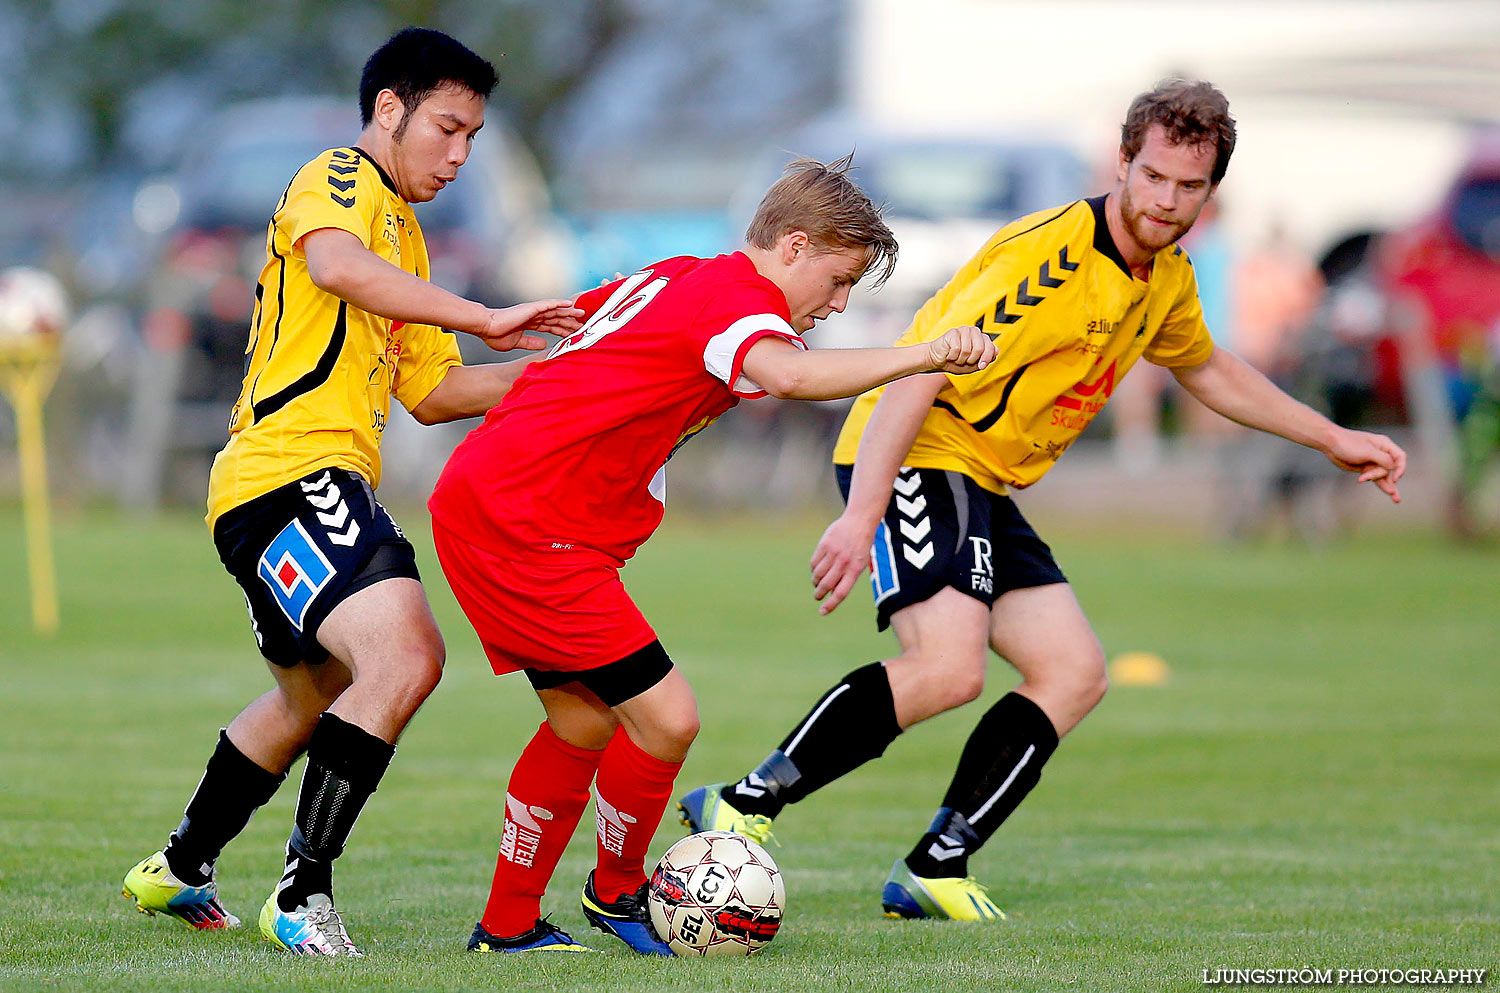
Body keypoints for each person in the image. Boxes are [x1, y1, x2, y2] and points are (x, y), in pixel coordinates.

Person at [679, 79, 1407, 922]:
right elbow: (922, 367)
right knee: (950, 667)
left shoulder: (1164, 274)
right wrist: (860, 511)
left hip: (983, 476)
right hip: (918, 449)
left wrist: (1332, 437)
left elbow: (1205, 367)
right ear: (1123, 162)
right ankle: (746, 799)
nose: (1167, 202)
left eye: (1189, 187)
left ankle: (936, 863)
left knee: (1074, 670)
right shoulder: (1053, 260)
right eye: (1154, 178)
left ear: (1213, 191)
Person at [427, 155, 998, 955]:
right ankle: (618, 895)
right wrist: (924, 353)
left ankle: (508, 926)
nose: (835, 305)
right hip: (526, 521)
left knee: (584, 720)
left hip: (506, 507)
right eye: (837, 281)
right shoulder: (737, 300)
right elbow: (789, 376)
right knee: (668, 717)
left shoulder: (681, 277)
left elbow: (573, 359)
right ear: (793, 247)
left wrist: (454, 388)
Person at [121, 27, 584, 956]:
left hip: (278, 487)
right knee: (406, 656)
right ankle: (302, 894)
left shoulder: (406, 239)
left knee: (313, 694)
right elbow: (334, 265)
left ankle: (180, 866)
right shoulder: (338, 179)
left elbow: (436, 391)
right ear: (388, 109)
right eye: (447, 129)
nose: (458, 156)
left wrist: (579, 377)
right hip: (292, 473)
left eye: (473, 139)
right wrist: (490, 312)